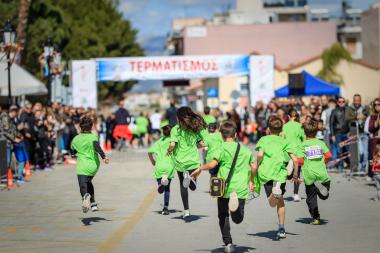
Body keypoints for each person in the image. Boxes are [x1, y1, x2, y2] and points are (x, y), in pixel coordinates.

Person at [191, 121, 256, 253]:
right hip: (240, 187)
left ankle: (228, 243)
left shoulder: (221, 148)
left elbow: (212, 164)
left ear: (221, 135)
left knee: (222, 215)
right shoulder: (245, 149)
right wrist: (251, 180)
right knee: (238, 218)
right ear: (236, 135)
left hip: (222, 186)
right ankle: (236, 208)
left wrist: (200, 169)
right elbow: (254, 166)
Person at [255, 116, 298, 239]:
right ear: (281, 129)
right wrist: (294, 174)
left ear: (268, 128)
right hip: (280, 174)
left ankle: (275, 192)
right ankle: (282, 228)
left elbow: (259, 155)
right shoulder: (285, 141)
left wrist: (257, 166)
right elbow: (295, 160)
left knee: (272, 203)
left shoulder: (263, 139)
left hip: (266, 173)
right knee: (281, 201)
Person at [167, 107, 207, 219]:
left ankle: (186, 211)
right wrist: (205, 146)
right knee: (193, 187)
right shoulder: (194, 129)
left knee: (182, 186)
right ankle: (191, 179)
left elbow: (172, 144)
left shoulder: (175, 129)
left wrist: (169, 151)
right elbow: (201, 144)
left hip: (180, 162)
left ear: (179, 117)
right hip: (193, 162)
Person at [71, 116, 109, 213]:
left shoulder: (76, 139)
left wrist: (74, 154)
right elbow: (97, 147)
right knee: (88, 182)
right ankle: (93, 204)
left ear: (80, 127)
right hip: (94, 165)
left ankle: (85, 196)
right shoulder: (93, 137)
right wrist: (104, 157)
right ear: (91, 127)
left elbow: (73, 151)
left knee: (83, 185)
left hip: (83, 166)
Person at [296, 121, 332, 225]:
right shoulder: (320, 143)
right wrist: (323, 162)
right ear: (316, 132)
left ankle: (316, 218)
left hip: (310, 176)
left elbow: (300, 161)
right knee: (324, 194)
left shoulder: (303, 145)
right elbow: (329, 155)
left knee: (311, 199)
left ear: (304, 132)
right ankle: (323, 192)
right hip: (322, 174)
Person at [148, 120, 175, 215]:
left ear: (163, 132)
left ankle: (160, 184)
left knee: (161, 187)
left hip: (159, 166)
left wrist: (152, 161)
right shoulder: (173, 141)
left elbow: (149, 152)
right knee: (167, 189)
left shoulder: (159, 141)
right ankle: (165, 207)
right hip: (169, 166)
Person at [282, 109, 305, 202]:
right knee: (297, 173)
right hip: (297, 151)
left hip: (286, 151)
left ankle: (281, 190)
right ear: (296, 116)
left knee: (284, 173)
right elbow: (303, 138)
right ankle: (295, 194)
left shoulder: (284, 126)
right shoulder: (300, 126)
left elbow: (282, 138)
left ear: (288, 116)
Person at [346, 94, 370, 174]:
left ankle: (363, 168)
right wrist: (356, 116)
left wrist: (364, 117)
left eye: (358, 100)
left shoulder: (365, 108)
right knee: (360, 152)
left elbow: (369, 116)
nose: (357, 102)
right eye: (355, 100)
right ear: (353, 100)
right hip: (356, 133)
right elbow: (347, 118)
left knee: (366, 152)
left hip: (365, 132)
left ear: (360, 100)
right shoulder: (350, 108)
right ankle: (358, 166)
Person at [330, 97, 349, 171]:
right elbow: (331, 123)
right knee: (339, 150)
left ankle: (349, 164)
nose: (341, 103)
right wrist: (332, 135)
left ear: (345, 102)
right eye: (340, 102)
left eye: (343, 101)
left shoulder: (347, 110)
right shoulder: (334, 111)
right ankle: (340, 166)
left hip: (346, 133)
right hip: (337, 133)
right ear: (337, 103)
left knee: (347, 150)